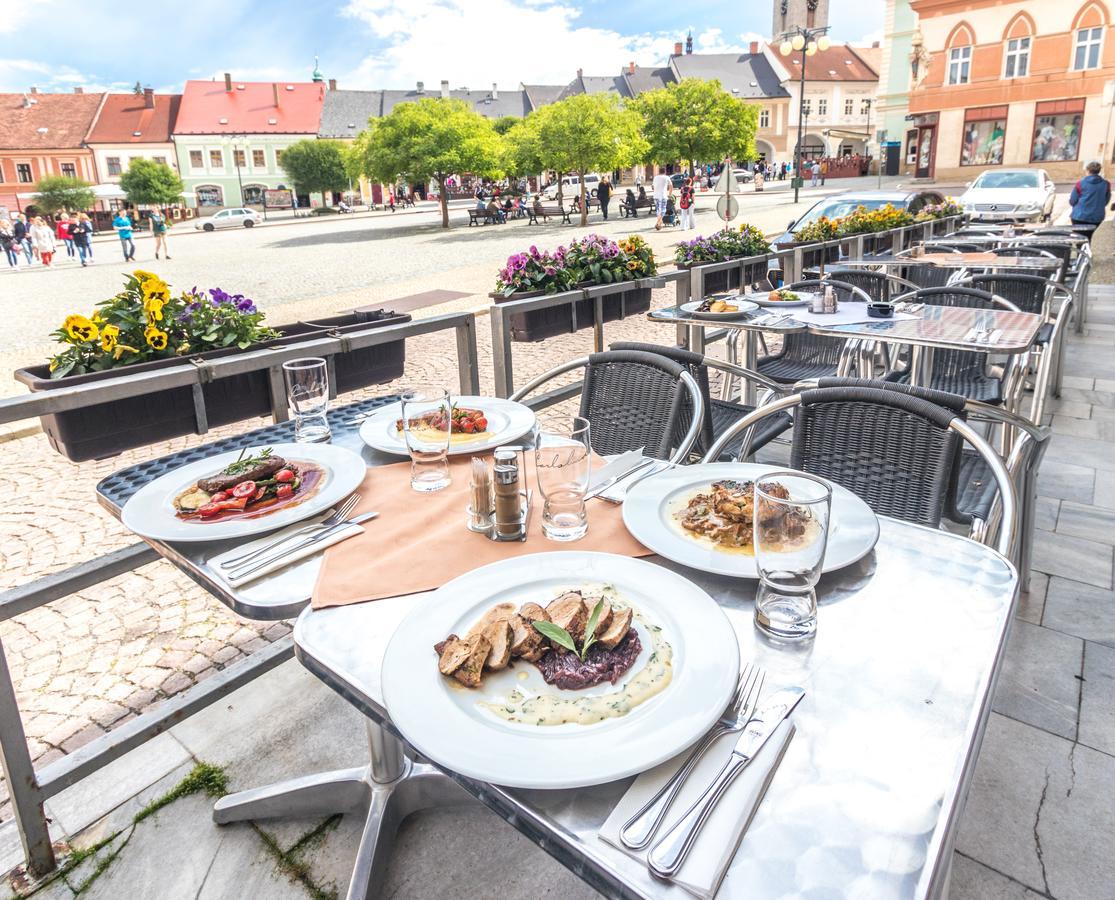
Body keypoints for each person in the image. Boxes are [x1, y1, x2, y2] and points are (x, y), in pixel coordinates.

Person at [1068, 159, 1111, 243]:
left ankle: (1080, 253)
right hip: (1097, 217)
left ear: (1087, 170)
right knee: (1089, 238)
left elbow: (1072, 201)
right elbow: (1106, 201)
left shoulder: (1080, 184)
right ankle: (1087, 251)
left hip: (1079, 216)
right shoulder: (1106, 184)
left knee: (1079, 239)